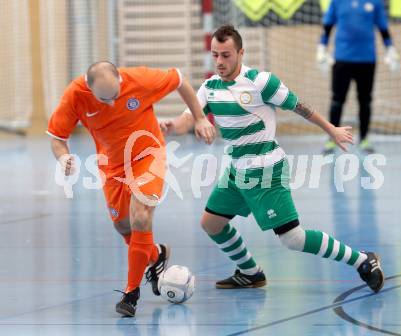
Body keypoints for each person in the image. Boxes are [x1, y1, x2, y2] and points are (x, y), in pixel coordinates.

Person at [161, 25, 385, 293]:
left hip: (266, 171)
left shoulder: (261, 82)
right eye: (215, 55)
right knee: (212, 223)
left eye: (226, 55)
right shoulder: (209, 88)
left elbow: (300, 106)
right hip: (236, 170)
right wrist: (171, 126)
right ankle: (250, 272)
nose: (219, 62)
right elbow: (189, 119)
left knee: (293, 238)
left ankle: (362, 260)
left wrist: (331, 129)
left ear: (241, 53)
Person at [46, 61, 215, 317]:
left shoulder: (140, 79)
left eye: (115, 95)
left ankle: (131, 293)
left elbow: (179, 79)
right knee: (123, 226)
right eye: (105, 99)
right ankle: (156, 256)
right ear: (89, 88)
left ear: (120, 80)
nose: (112, 103)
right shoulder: (74, 96)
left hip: (148, 155)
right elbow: (58, 138)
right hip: (112, 166)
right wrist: (63, 157)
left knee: (141, 215)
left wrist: (200, 118)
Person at [316, 0, 400, 154]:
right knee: (337, 100)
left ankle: (364, 138)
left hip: (367, 59)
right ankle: (331, 139)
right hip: (342, 58)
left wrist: (390, 49)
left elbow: (383, 28)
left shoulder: (375, 2)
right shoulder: (337, 2)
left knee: (365, 100)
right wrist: (321, 48)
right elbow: (327, 26)